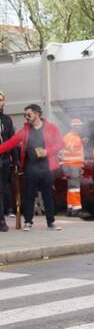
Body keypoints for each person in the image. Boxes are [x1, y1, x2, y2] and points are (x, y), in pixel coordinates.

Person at [0, 104, 64, 231]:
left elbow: (60, 143)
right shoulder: (25, 130)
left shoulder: (51, 128)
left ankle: (51, 222)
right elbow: (11, 142)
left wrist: (48, 151)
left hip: (47, 167)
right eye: (25, 115)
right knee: (29, 195)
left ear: (37, 114)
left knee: (48, 195)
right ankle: (28, 222)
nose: (26, 117)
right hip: (30, 167)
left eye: (28, 114)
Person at [61, 118, 87, 217]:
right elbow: (71, 148)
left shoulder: (75, 137)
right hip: (72, 165)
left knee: (72, 188)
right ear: (74, 127)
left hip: (73, 165)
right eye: (80, 126)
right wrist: (81, 143)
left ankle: (71, 208)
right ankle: (76, 209)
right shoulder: (69, 137)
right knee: (75, 188)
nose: (81, 128)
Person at [0, 90, 18, 231]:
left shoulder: (7, 120)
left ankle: (1, 220)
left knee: (1, 190)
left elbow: (12, 141)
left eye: (1, 99)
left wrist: (16, 160)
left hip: (4, 160)